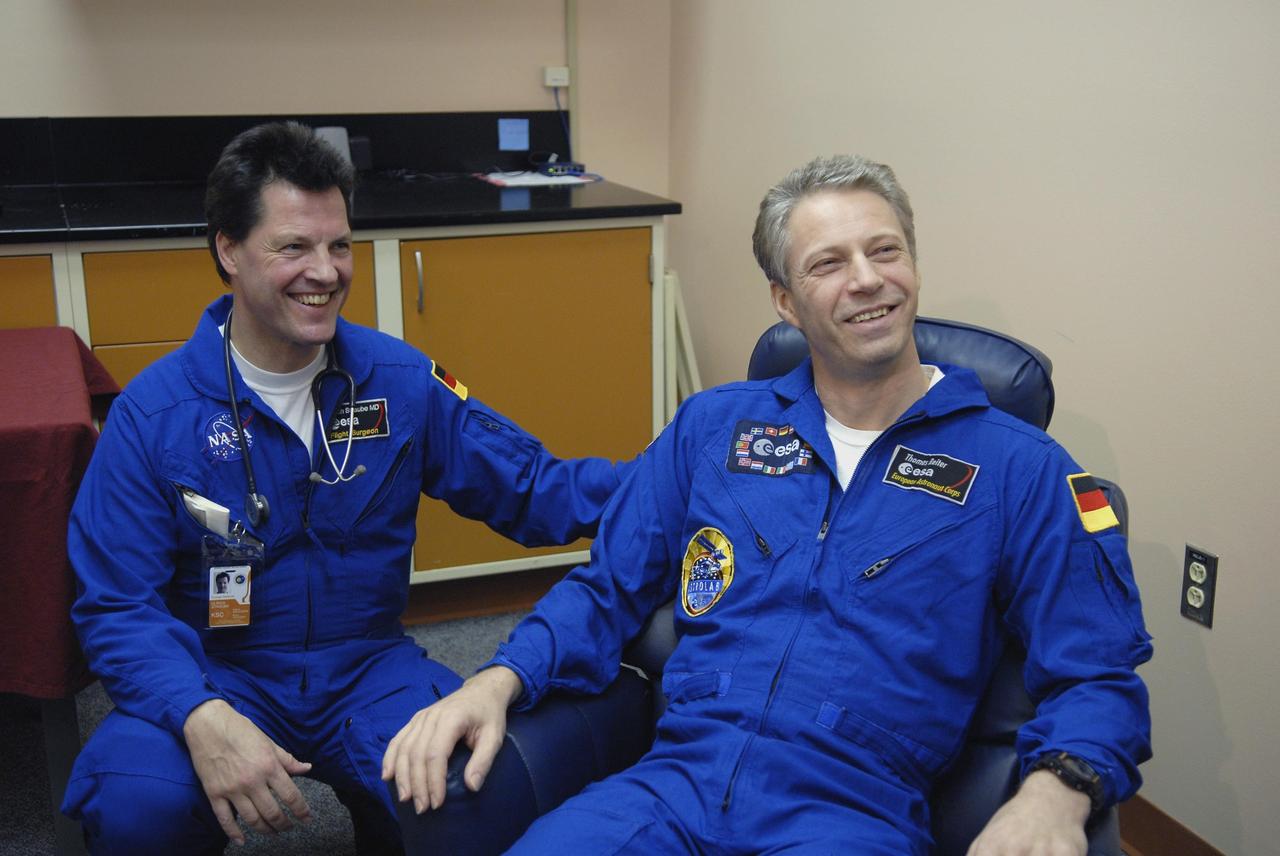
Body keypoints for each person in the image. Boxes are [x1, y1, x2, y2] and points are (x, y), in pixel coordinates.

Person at [382, 155, 1153, 855]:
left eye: (885, 251)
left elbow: (1098, 673)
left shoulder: (1023, 471)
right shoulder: (715, 428)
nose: (867, 279)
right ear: (786, 302)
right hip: (670, 790)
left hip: (850, 814)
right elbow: (605, 589)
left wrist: (1056, 794)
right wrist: (496, 680)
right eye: (829, 263)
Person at [62, 121, 629, 855]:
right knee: (138, 805)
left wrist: (685, 469)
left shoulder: (401, 381)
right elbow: (115, 603)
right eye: (293, 246)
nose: (325, 271)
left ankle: (383, 820)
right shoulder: (154, 415)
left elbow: (536, 487)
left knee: (471, 790)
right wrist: (197, 713)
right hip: (216, 671)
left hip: (366, 669)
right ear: (228, 251)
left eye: (339, 245)